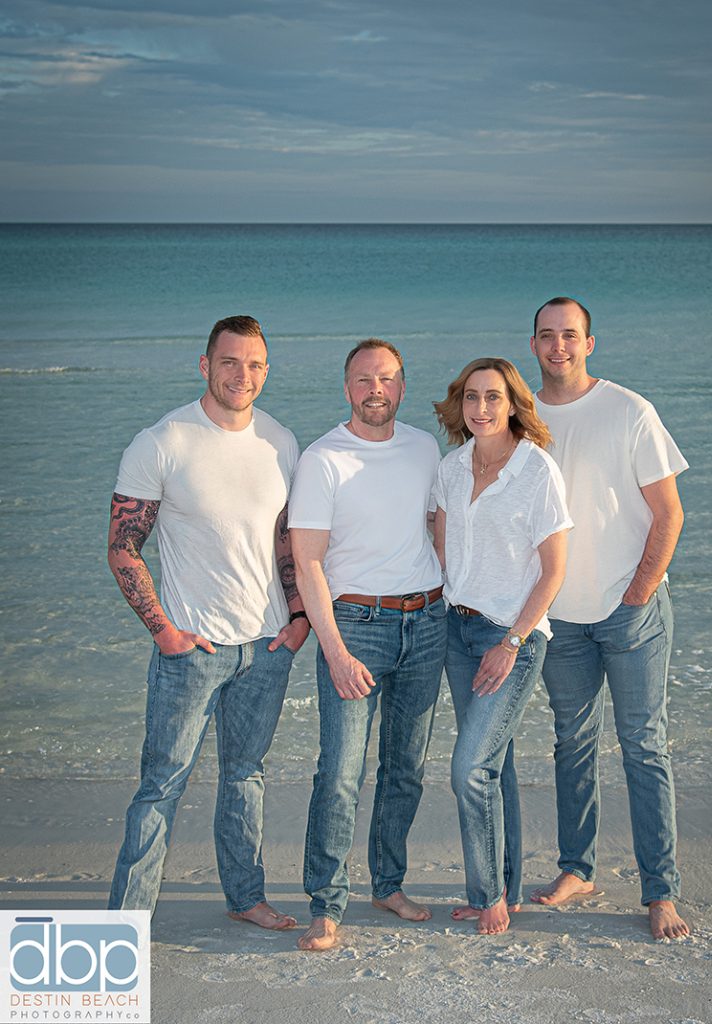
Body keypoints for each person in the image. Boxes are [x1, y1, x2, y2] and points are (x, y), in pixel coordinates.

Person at [107, 315, 309, 930]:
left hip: (268, 646)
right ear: (205, 365)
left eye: (253, 364)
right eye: (229, 362)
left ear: (266, 371)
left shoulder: (282, 442)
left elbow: (284, 541)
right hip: (192, 649)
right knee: (162, 784)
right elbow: (123, 546)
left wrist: (298, 616)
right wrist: (165, 631)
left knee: (246, 776)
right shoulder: (163, 441)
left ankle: (245, 898)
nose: (241, 375)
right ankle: (125, 923)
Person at [528, 296, 690, 940]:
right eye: (547, 336)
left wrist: (640, 592)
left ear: (589, 343)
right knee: (572, 744)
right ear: (533, 345)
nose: (558, 346)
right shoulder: (522, 415)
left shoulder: (629, 410)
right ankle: (577, 869)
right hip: (559, 618)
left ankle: (661, 891)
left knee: (644, 747)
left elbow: (669, 512)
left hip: (631, 611)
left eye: (570, 335)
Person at [288, 338, 446, 951]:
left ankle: (388, 883)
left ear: (402, 387)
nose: (375, 389)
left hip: (427, 622)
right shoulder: (323, 459)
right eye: (362, 379)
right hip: (355, 626)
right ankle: (327, 904)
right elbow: (307, 563)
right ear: (346, 388)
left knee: (405, 768)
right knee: (341, 772)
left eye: (386, 379)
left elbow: (437, 526)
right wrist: (334, 650)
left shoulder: (424, 447)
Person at [432, 358, 571, 935]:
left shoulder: (537, 471)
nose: (481, 408)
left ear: (513, 403)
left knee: (469, 767)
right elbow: (440, 542)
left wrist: (512, 640)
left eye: (493, 397)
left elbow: (553, 572)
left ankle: (488, 895)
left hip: (509, 637)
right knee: (495, 765)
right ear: (459, 405)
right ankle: (501, 887)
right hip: (456, 632)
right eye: (471, 398)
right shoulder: (451, 467)